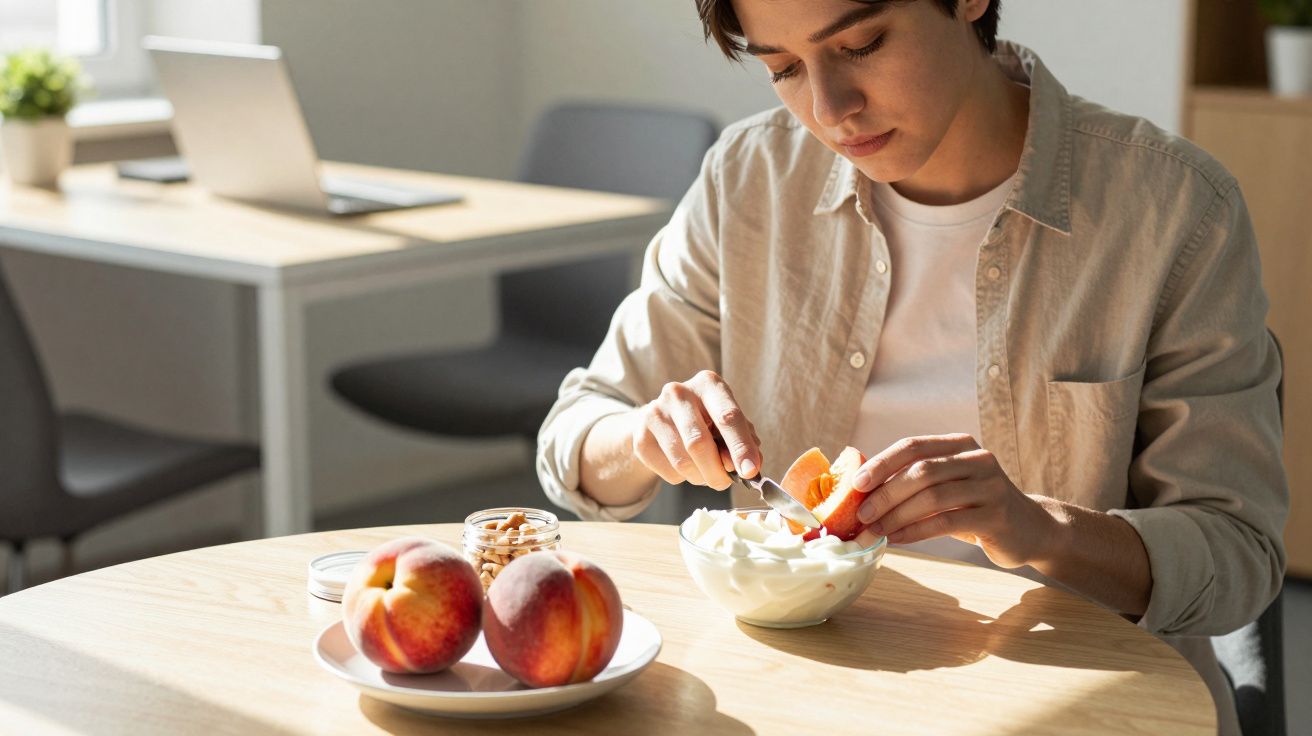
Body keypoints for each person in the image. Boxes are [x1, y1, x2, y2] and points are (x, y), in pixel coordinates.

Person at [536, 2, 1288, 732]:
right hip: (796, 692)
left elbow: (1238, 556)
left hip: (1073, 703)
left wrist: (1040, 529)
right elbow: (573, 441)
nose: (831, 108)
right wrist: (642, 435)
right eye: (785, 67)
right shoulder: (749, 180)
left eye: (861, 44)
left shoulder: (1174, 208)